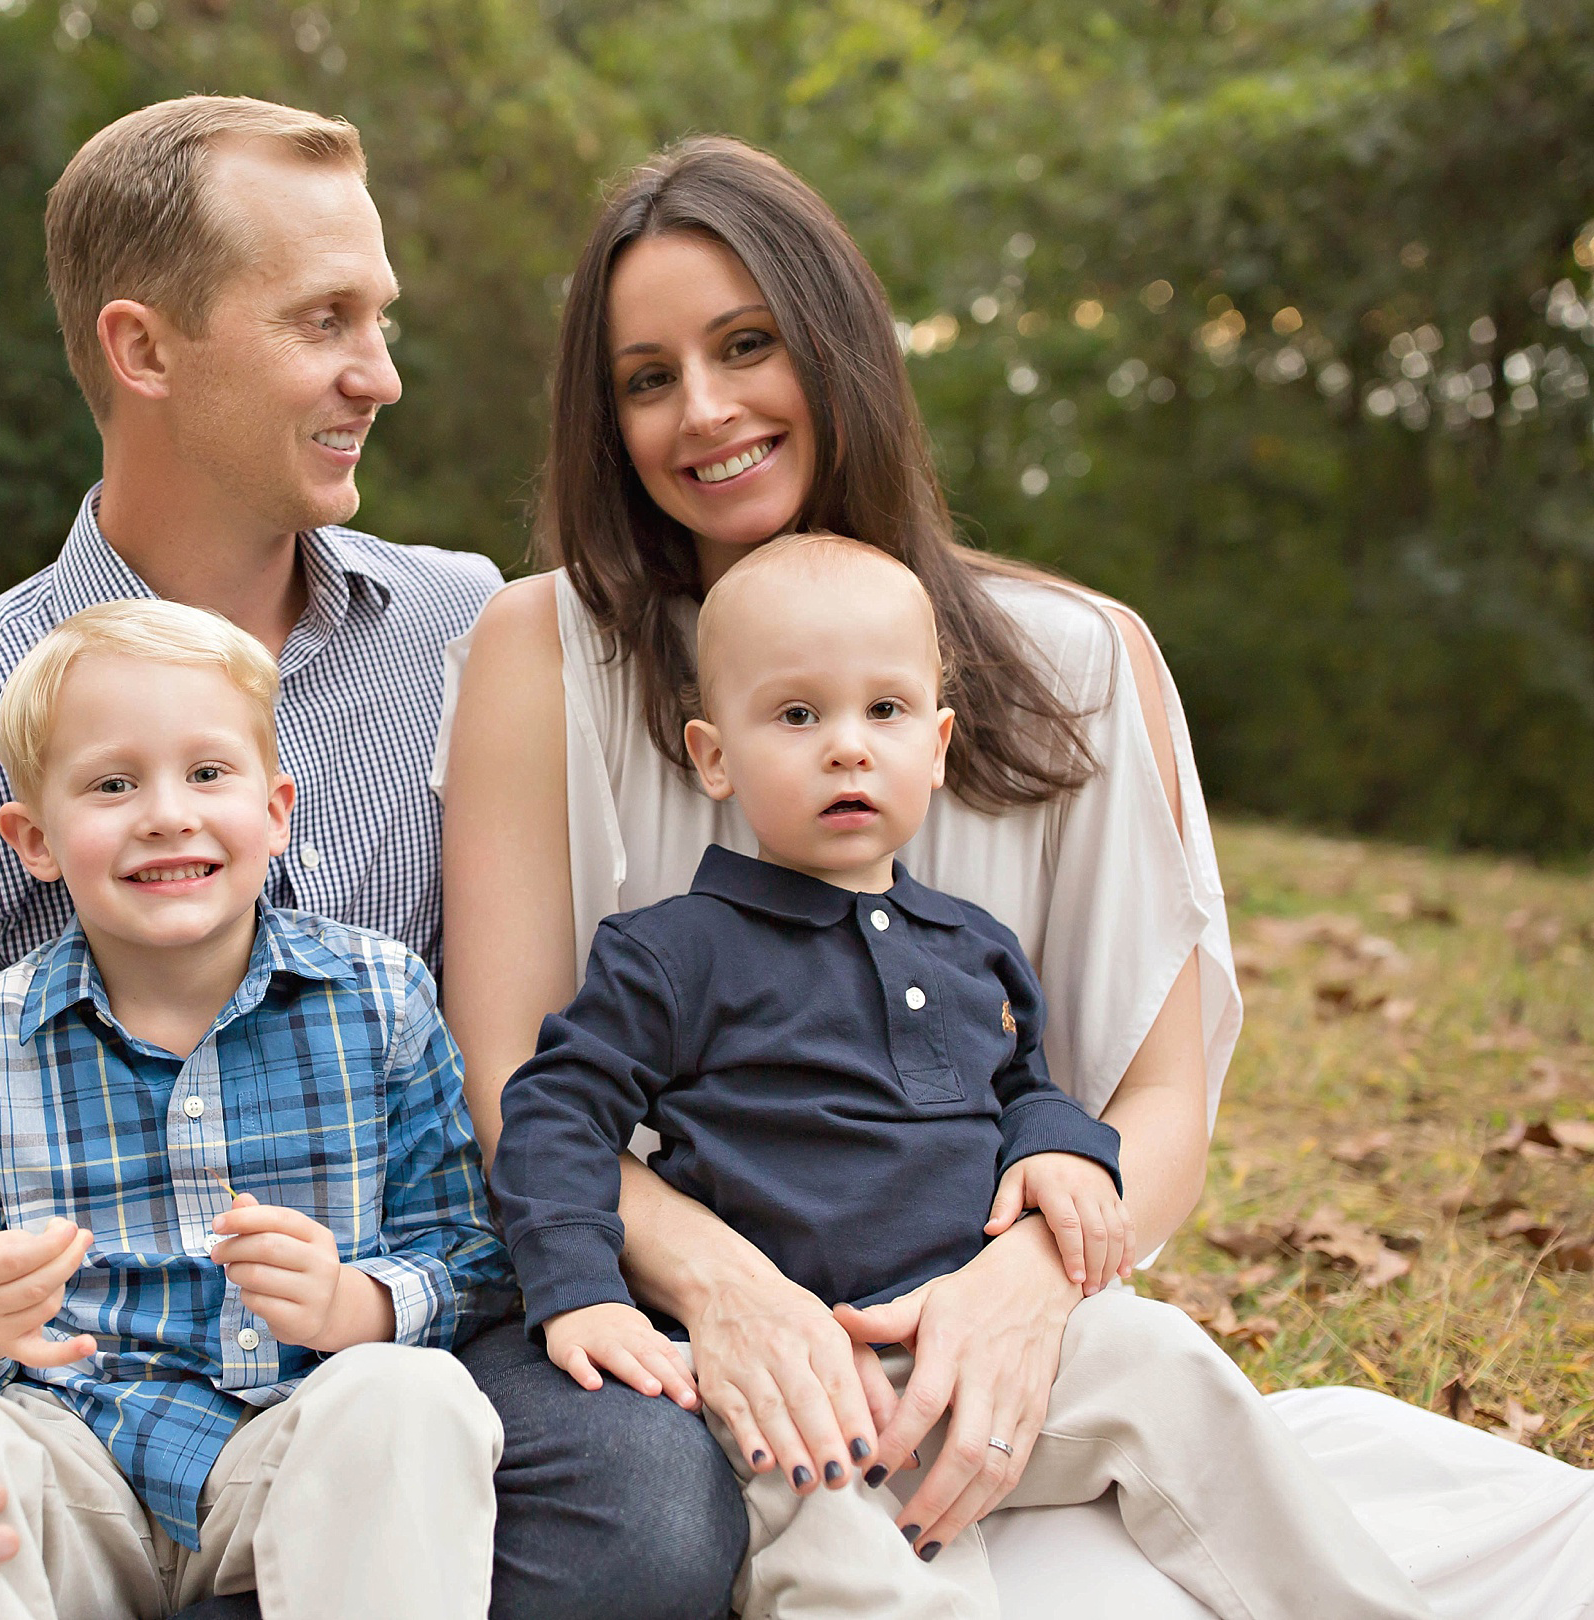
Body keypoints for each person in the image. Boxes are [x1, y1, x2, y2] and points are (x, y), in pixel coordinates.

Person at [439, 131, 1594, 1620]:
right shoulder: (540, 651)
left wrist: (1031, 1281)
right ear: (710, 750)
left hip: (999, 1322)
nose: (702, 409)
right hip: (724, 1363)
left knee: (1478, 1529)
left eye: (745, 345)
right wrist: (727, 1292)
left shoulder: (1079, 664)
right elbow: (519, 1079)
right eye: (646, 377)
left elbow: (1143, 1098)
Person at [0, 96, 744, 1620]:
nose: (382, 374)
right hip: (67, 1413)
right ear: (145, 351)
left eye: (382, 318)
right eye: (324, 321)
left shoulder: (460, 633)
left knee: (651, 1509)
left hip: (384, 1371)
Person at [490, 535, 1438, 1619]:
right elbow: (556, 1111)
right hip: (812, 1379)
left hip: (991, 1349)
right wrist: (577, 1290)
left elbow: (1023, 1085)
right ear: (715, 757)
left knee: (1166, 1361)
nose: (848, 749)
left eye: (884, 712)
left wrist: (1058, 1144)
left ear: (938, 745)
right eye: (797, 717)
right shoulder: (671, 952)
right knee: (856, 1578)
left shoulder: (975, 946)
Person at [0, 599, 513, 1619]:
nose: (167, 813)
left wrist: (354, 1307)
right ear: (35, 838)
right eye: (113, 784)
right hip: (74, 1456)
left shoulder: (379, 998)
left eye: (208, 773)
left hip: (294, 1451)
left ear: (277, 808)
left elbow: (471, 1255)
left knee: (413, 1402)